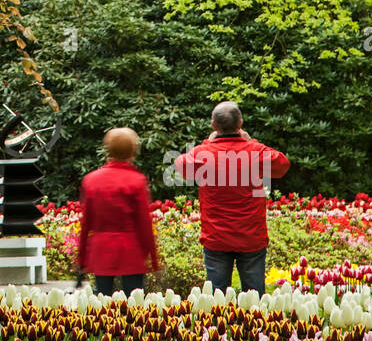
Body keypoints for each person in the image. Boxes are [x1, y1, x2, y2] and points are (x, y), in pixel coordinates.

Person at [175, 101, 289, 294]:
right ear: (240, 124)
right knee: (254, 299)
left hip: (216, 237)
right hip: (251, 236)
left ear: (213, 126)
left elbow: (180, 165)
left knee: (216, 298)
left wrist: (208, 142)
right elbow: (282, 164)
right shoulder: (255, 151)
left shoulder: (203, 153)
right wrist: (250, 141)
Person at [76, 127, 161, 297]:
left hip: (101, 249)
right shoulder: (136, 181)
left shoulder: (91, 180)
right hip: (131, 250)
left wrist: (82, 258)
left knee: (102, 304)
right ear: (133, 152)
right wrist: (153, 258)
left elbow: (86, 223)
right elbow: (144, 223)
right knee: (134, 305)